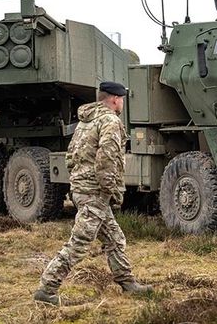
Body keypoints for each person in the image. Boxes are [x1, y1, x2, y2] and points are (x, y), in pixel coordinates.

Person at [34, 81, 152, 306]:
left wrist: (80, 182)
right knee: (79, 243)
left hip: (82, 189)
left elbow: (71, 156)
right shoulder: (109, 121)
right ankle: (47, 288)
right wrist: (112, 191)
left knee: (115, 238)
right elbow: (107, 159)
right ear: (115, 99)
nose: (122, 104)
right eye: (122, 100)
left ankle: (127, 282)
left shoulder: (86, 121)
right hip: (94, 193)